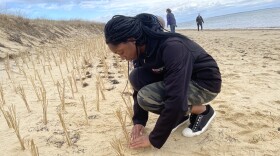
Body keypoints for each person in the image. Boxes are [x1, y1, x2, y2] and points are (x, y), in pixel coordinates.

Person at [104, 13, 222, 149]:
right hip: (180, 81)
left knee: (146, 98)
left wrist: (154, 139)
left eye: (121, 52)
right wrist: (139, 121)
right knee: (136, 76)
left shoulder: (173, 47)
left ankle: (204, 111)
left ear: (132, 40)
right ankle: (180, 116)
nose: (122, 57)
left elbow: (176, 98)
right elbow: (138, 87)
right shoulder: (142, 50)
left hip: (205, 84)